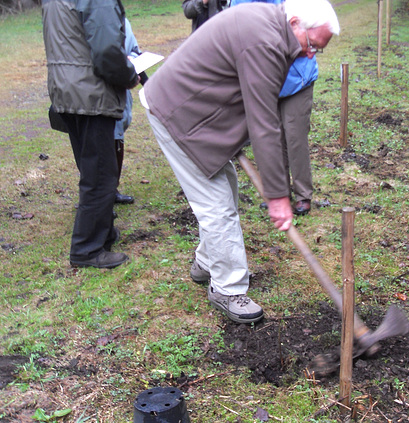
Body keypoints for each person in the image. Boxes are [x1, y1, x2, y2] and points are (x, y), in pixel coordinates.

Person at [140, 0, 340, 323]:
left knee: (225, 186)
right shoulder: (265, 42)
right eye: (311, 45)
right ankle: (228, 289)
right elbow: (264, 124)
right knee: (217, 204)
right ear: (295, 24)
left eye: (319, 50)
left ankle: (207, 262)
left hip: (198, 114)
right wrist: (278, 197)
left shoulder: (271, 29)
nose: (310, 55)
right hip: (177, 113)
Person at [42, 0, 139, 269]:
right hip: (90, 94)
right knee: (101, 174)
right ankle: (87, 249)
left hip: (67, 88)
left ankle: (103, 232)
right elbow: (108, 51)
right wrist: (129, 75)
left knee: (92, 167)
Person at [231, 0, 317, 216]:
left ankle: (302, 195)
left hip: (297, 79)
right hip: (267, 81)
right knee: (273, 138)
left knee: (295, 137)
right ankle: (280, 194)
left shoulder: (288, 6)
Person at [114, 18, 147, 205]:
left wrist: (132, 60)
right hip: (99, 92)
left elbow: (135, 50)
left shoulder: (123, 20)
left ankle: (112, 188)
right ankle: (97, 193)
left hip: (121, 93)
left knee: (118, 138)